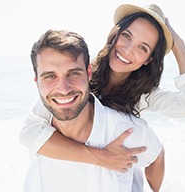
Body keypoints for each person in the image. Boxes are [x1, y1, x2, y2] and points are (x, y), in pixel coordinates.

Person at [20, 3, 185, 190]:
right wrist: (100, 156)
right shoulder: (77, 76)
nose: (127, 50)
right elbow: (30, 133)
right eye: (126, 36)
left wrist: (177, 44)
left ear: (149, 59)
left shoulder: (144, 95)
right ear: (116, 33)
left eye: (142, 48)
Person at [23, 29, 163, 192]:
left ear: (89, 73)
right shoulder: (39, 125)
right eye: (49, 76)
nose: (63, 89)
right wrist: (102, 157)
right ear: (37, 81)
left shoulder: (126, 130)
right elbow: (27, 134)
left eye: (73, 73)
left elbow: (157, 156)